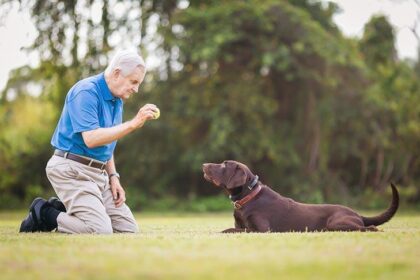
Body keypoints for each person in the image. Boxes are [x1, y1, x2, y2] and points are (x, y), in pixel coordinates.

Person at [19, 50, 159, 234]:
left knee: (129, 230)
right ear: (117, 73)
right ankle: (45, 213)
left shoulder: (116, 100)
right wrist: (133, 124)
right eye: (133, 82)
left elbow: (108, 140)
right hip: (71, 170)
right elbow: (92, 139)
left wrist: (113, 177)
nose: (136, 89)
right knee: (100, 230)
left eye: (138, 84)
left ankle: (71, 212)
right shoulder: (86, 91)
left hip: (99, 174)